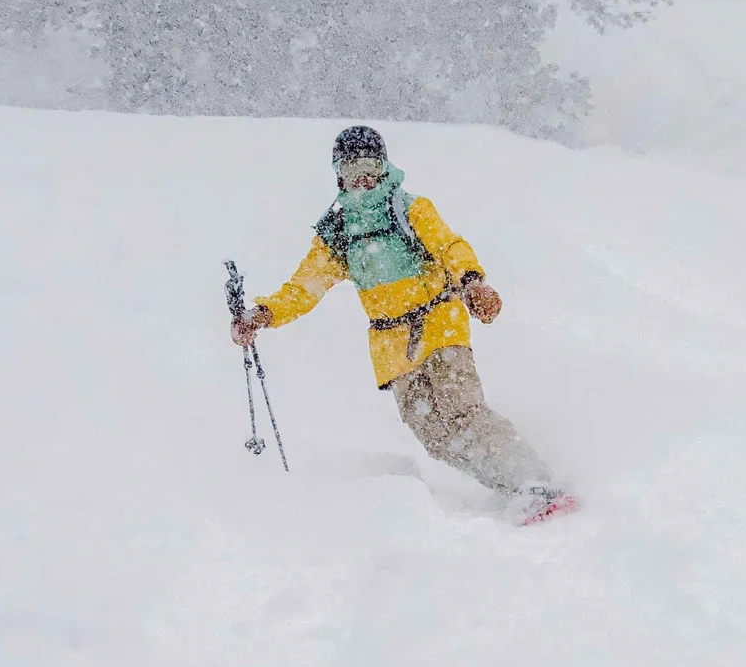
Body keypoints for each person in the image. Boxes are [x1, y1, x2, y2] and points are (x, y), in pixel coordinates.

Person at [230, 126, 577, 524]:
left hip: (440, 322)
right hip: (392, 347)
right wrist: (263, 315)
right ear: (337, 174)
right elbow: (304, 288)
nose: (361, 177)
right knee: (435, 435)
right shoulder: (338, 235)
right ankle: (514, 488)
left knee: (462, 412)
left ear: (384, 166)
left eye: (369, 165)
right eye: (350, 168)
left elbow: (450, 247)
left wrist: (473, 281)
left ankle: (534, 483)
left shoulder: (410, 209)